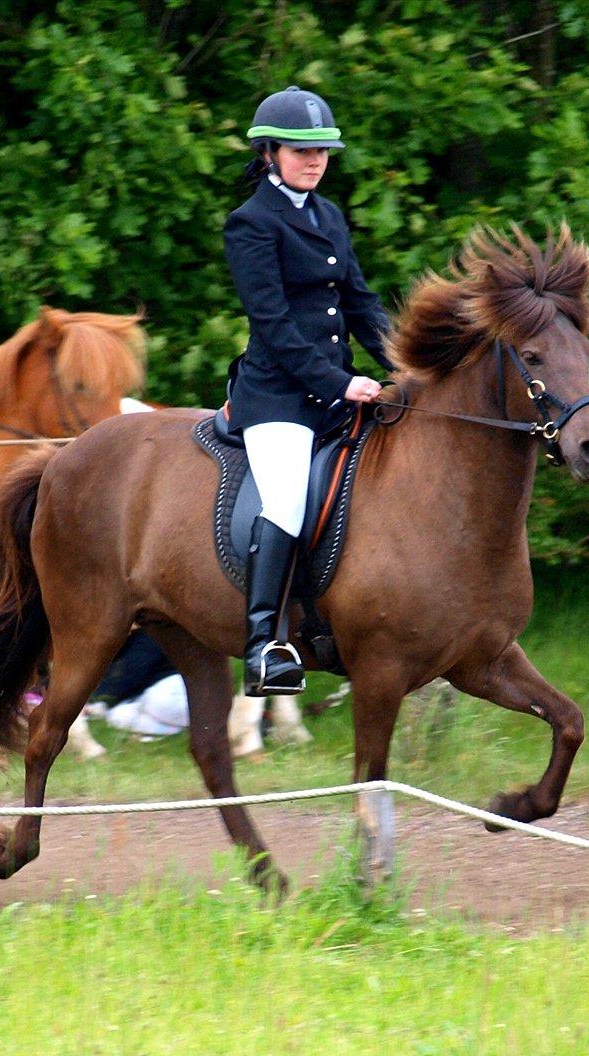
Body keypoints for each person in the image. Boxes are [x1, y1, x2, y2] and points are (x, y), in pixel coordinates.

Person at [224, 86, 392, 697]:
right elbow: (273, 324)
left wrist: (408, 363)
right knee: (288, 499)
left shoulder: (329, 216)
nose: (314, 160)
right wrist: (341, 382)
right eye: (301, 150)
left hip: (338, 391)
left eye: (322, 150)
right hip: (278, 398)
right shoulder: (251, 224)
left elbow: (360, 302)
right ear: (270, 154)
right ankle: (265, 644)